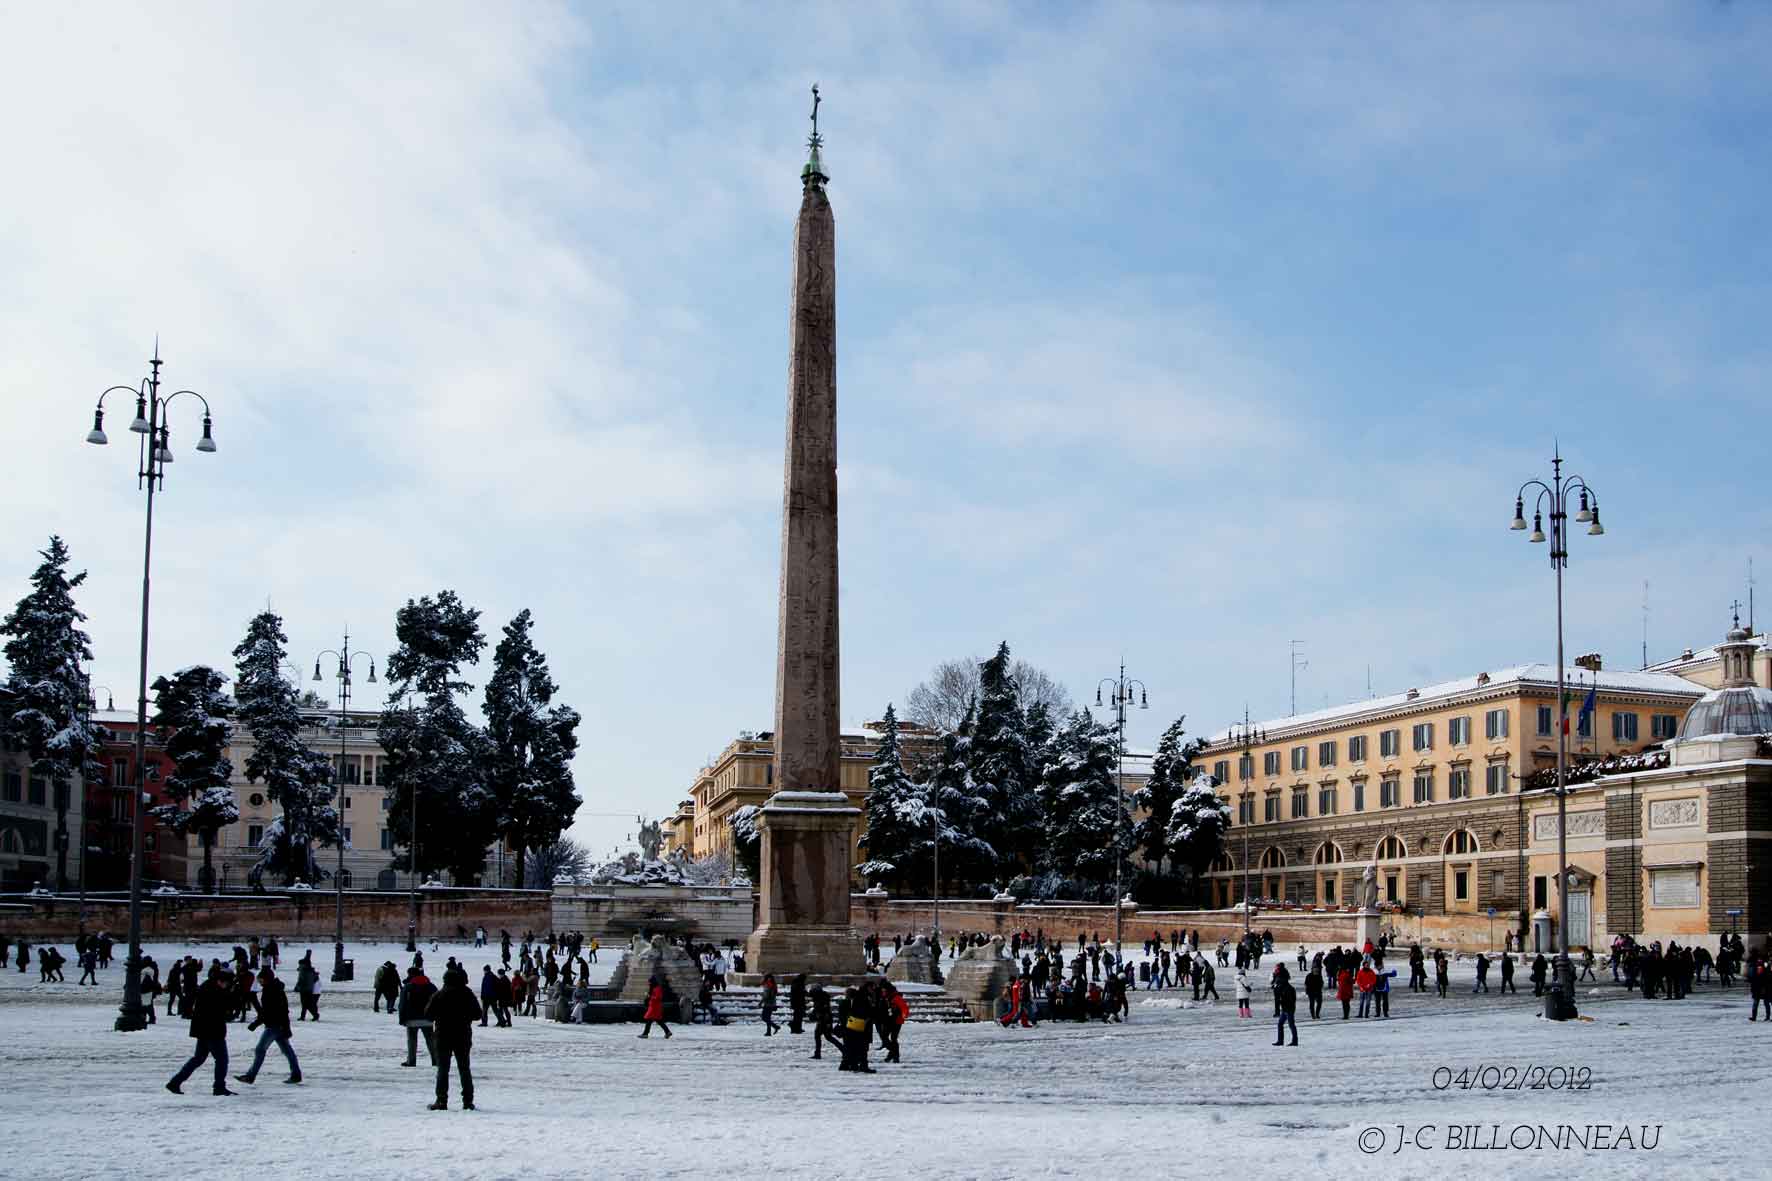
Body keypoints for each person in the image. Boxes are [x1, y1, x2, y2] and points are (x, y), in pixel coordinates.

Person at [166, 964, 237, 1096]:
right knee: (222, 1060)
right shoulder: (216, 991)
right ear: (222, 981)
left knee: (198, 1058)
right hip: (213, 1030)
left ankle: (175, 1082)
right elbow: (221, 1009)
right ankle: (219, 1087)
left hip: (203, 1029)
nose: (227, 986)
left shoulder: (207, 986)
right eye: (227, 984)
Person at [425, 964, 482, 1110]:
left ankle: (441, 1100)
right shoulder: (467, 993)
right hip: (462, 1035)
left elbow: (428, 1015)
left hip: (443, 1035)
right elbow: (478, 1014)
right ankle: (468, 1101)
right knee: (464, 1069)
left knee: (443, 1069)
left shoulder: (439, 995)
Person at [235, 966, 301, 1085]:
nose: (259, 982)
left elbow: (270, 1011)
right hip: (279, 1025)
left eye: (260, 979)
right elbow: (280, 1010)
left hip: (274, 1026)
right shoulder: (274, 989)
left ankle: (250, 1076)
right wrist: (286, 1027)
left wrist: (256, 1023)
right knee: (287, 1051)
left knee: (260, 1050)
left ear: (266, 979)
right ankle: (296, 1075)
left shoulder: (271, 990)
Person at [400, 965, 439, 1067]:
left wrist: (402, 1018)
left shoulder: (408, 987)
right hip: (427, 1018)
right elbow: (437, 1001)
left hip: (411, 1018)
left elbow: (402, 1004)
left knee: (412, 1041)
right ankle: (436, 1060)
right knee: (431, 1040)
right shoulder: (431, 986)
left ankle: (411, 1061)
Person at [809, 983, 843, 1060]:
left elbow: (825, 1010)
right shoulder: (819, 997)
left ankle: (843, 1050)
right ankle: (817, 1053)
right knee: (822, 1036)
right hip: (822, 1020)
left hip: (824, 1020)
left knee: (828, 1037)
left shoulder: (822, 997)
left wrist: (826, 1022)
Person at [639, 974, 673, 1039]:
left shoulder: (657, 988)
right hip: (653, 1006)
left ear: (652, 982)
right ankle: (667, 1032)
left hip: (655, 1007)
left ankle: (645, 1034)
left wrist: (650, 996)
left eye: (650, 982)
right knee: (658, 1020)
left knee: (649, 1020)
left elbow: (658, 998)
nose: (648, 983)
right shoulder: (654, 988)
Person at [1272, 965, 1298, 1046]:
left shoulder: (1287, 988)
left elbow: (1289, 1000)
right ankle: (1281, 1041)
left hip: (1288, 1009)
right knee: (1281, 1024)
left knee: (1291, 1025)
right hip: (1285, 1008)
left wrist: (1282, 1002)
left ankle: (1294, 1041)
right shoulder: (1283, 986)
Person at [294, 952, 321, 1020]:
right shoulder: (311, 971)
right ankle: (306, 1016)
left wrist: (297, 987)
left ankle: (314, 1015)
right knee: (307, 1004)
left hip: (304, 989)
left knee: (305, 1004)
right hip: (310, 989)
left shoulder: (303, 971)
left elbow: (301, 980)